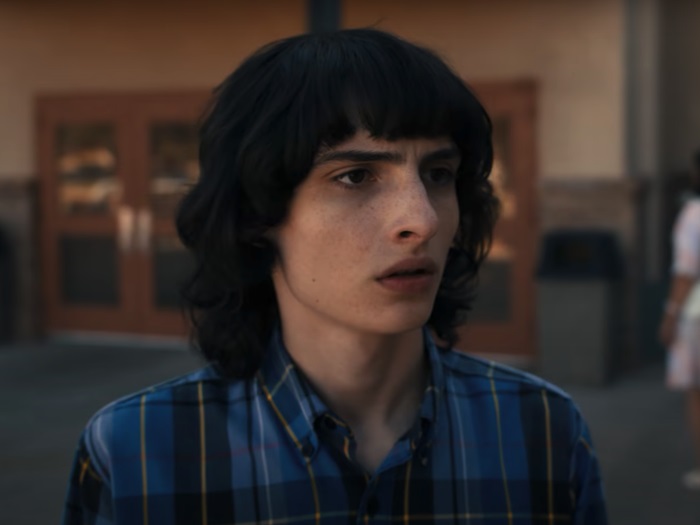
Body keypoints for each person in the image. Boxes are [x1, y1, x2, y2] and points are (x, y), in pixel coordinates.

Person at [62, 29, 607, 524]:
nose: (421, 219)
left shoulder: (542, 430)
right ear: (257, 213)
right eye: (356, 176)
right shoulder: (138, 453)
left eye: (438, 174)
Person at [659, 149, 700, 490]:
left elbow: (685, 272)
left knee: (697, 393)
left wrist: (670, 316)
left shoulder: (693, 214)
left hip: (696, 314)